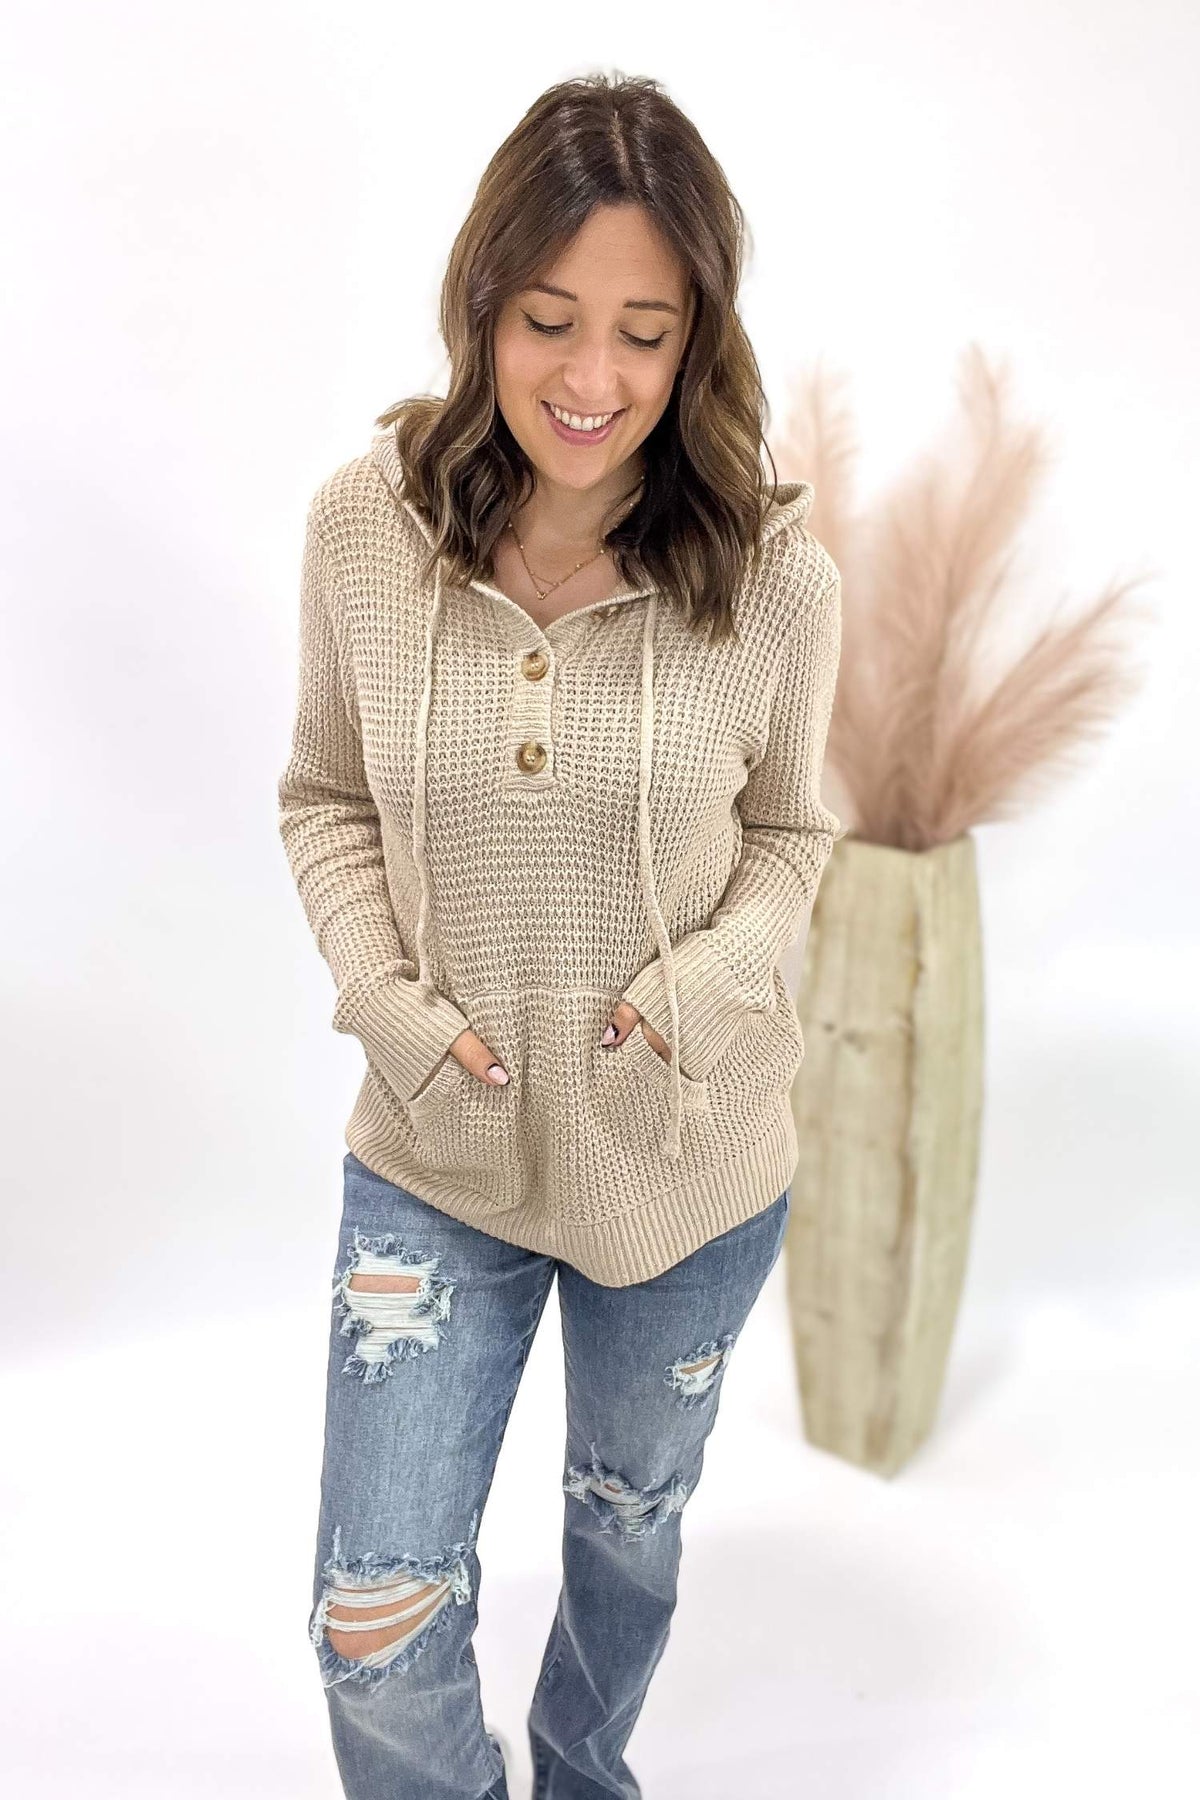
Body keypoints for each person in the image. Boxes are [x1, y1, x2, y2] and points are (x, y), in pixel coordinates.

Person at [277, 69, 845, 1800]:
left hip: (687, 1164)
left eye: (644, 335)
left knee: (630, 1536)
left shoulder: (772, 576)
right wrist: (386, 1003)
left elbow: (791, 839)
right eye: (549, 320)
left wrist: (697, 994)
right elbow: (325, 795)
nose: (591, 381)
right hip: (437, 1148)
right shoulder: (363, 528)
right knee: (373, 1614)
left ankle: (588, 1773)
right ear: (484, 304)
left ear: (696, 348)